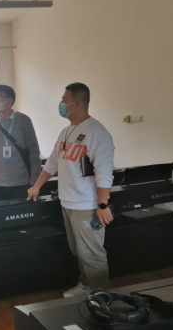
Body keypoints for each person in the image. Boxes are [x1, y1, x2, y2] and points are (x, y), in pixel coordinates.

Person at [27, 83, 115, 298]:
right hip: (67, 201)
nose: (61, 103)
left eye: (64, 100)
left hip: (87, 205)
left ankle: (101, 298)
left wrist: (102, 204)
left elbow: (104, 173)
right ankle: (86, 286)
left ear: (76, 103)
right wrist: (37, 185)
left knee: (92, 254)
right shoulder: (66, 132)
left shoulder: (97, 132)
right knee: (79, 251)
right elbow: (52, 163)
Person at [0, 85, 41, 201]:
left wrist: (34, 181)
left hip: (22, 182)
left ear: (9, 100)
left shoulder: (24, 121)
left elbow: (34, 152)